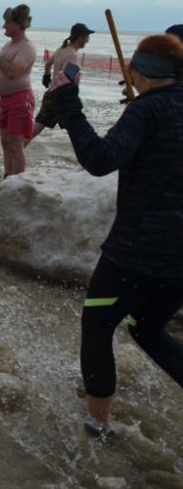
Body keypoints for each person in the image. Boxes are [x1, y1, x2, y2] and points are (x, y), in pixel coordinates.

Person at [50, 33, 183, 440]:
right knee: (147, 329)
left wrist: (69, 105)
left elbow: (99, 159)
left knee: (98, 325)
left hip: (136, 251)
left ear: (136, 71)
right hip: (179, 260)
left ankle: (98, 426)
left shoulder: (146, 110)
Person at [0, 5, 36, 177]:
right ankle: (8, 178)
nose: (4, 26)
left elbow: (12, 72)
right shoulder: (8, 45)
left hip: (20, 100)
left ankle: (17, 182)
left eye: (7, 23)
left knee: (16, 144)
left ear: (19, 24)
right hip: (5, 101)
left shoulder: (27, 47)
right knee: (5, 143)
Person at [30, 22, 93, 141]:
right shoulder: (72, 55)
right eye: (87, 37)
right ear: (80, 37)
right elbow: (67, 80)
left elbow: (48, 64)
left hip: (50, 95)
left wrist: (47, 77)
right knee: (78, 131)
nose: (88, 40)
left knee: (36, 128)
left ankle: (17, 148)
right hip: (61, 100)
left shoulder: (62, 48)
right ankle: (87, 152)